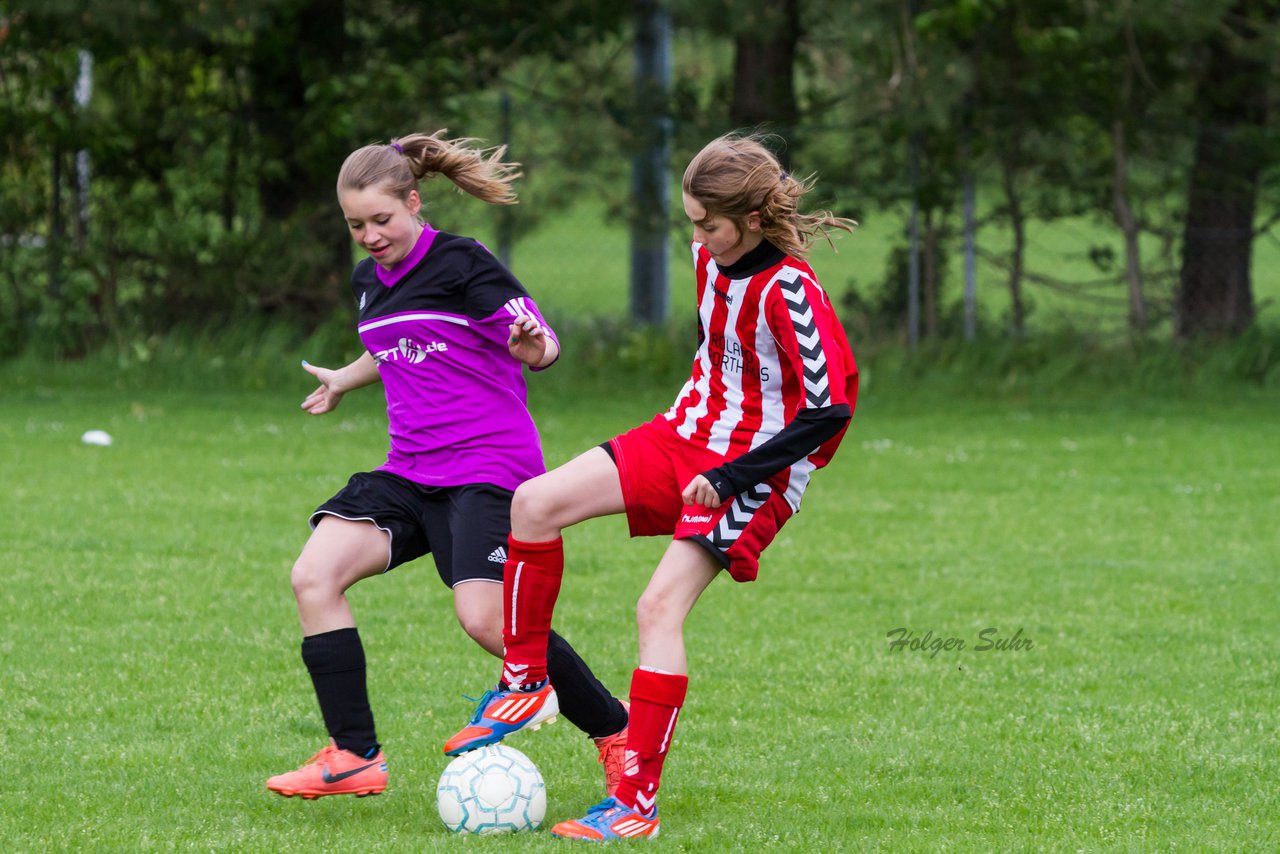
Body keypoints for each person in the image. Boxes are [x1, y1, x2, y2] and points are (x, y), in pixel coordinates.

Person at [443, 132, 859, 839]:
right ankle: (525, 683)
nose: (695, 233)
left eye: (708, 222)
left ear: (754, 219)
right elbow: (720, 352)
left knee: (656, 610)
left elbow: (829, 410)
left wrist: (730, 474)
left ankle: (636, 803)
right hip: (683, 435)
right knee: (534, 503)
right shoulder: (709, 256)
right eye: (691, 217)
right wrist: (698, 429)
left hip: (753, 472)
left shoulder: (792, 291)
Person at [265, 131, 629, 801]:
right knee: (313, 575)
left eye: (382, 220)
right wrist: (346, 378)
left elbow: (541, 343)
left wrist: (531, 346)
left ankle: (618, 738)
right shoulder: (369, 280)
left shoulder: (464, 261)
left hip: (488, 469)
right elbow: (400, 342)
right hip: (409, 471)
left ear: (413, 202)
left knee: (489, 623)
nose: (370, 235)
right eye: (355, 225)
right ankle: (353, 756)